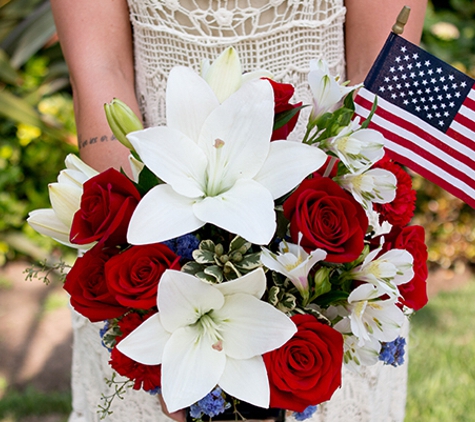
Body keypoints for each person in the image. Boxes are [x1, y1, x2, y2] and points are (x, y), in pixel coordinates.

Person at [49, 1, 427, 421]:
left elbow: (383, 72)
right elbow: (101, 71)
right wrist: (150, 301)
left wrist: (320, 294)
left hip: (319, 222)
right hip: (157, 212)